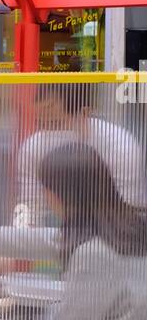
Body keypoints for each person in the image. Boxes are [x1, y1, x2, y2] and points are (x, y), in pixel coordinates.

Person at [0, 143, 147, 320]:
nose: (45, 198)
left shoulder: (94, 253)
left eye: (46, 189)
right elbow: (41, 240)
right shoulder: (125, 230)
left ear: (61, 194)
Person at [17, 83, 147, 227]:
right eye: (39, 123)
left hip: (116, 235)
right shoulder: (33, 147)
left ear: (84, 113)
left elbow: (128, 208)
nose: (47, 132)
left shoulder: (120, 145)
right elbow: (30, 209)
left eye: (55, 123)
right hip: (57, 233)